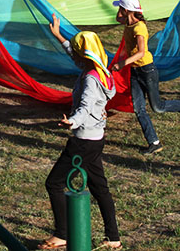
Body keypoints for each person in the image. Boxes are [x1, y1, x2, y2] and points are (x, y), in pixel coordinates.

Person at [40, 16, 120, 250]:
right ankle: (113, 238)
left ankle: (62, 234)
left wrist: (72, 122)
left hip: (83, 141)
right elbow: (76, 56)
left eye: (75, 52)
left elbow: (85, 106)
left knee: (54, 183)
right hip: (96, 138)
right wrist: (59, 36)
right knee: (99, 188)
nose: (73, 55)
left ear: (83, 55)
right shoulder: (101, 72)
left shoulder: (90, 80)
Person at [110, 0, 180, 155]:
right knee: (139, 108)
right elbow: (118, 18)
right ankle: (154, 142)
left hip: (147, 70)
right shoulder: (127, 23)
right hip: (135, 71)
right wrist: (125, 5)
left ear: (126, 10)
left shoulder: (139, 28)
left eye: (121, 8)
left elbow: (141, 52)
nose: (119, 11)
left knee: (157, 107)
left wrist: (122, 63)